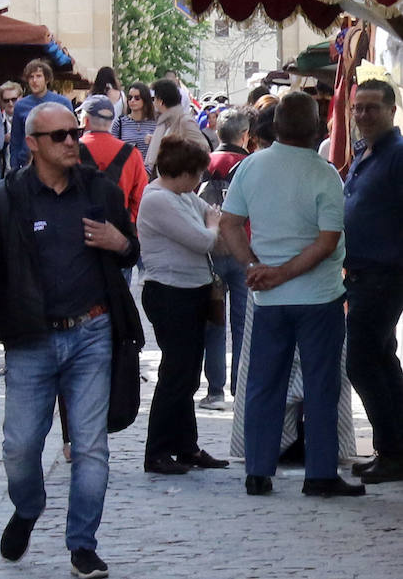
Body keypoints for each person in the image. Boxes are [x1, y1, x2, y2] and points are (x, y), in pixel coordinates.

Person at [0, 101, 139, 578]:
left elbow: (131, 250)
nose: (71, 142)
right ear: (33, 144)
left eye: (74, 133)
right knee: (20, 447)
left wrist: (118, 242)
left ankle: (82, 545)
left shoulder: (99, 193)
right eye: (60, 135)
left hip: (92, 333)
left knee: (90, 447)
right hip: (30, 339)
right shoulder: (6, 199)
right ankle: (28, 507)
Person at [220, 91, 365, 497]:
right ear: (316, 127)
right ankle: (319, 474)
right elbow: (326, 241)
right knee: (321, 386)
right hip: (318, 296)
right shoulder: (324, 174)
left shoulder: (251, 168)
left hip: (268, 296)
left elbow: (229, 224)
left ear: (275, 126)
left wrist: (255, 267)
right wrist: (281, 273)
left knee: (264, 383)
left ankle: (258, 470)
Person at [136, 135, 229, 475]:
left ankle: (185, 445)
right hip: (169, 292)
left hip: (192, 291)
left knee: (188, 374)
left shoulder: (183, 196)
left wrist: (212, 224)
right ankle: (157, 450)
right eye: (198, 174)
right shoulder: (158, 199)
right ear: (185, 173)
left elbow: (211, 218)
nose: (201, 181)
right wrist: (212, 226)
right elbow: (202, 237)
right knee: (175, 375)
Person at [343, 78, 403, 484]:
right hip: (364, 273)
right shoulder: (368, 153)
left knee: (362, 363)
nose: (363, 115)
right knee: (381, 361)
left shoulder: (398, 155)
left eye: (371, 108)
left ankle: (392, 450)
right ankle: (397, 447)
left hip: (385, 273)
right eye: (358, 108)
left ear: (391, 111)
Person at [200, 108, 251, 409]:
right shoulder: (251, 165)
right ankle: (240, 389)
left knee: (215, 323)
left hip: (212, 252)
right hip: (244, 252)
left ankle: (215, 391)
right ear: (245, 135)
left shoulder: (206, 163)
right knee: (243, 325)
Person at [77, 95, 147, 223]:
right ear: (110, 122)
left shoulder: (71, 150)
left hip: (79, 228)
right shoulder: (133, 154)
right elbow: (140, 198)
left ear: (85, 120)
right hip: (118, 230)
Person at [9, 59, 73, 171]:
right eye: (31, 77)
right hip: (27, 165)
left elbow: (71, 134)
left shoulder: (62, 103)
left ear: (46, 79)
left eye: (38, 76)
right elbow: (15, 140)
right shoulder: (20, 106)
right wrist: (14, 168)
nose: (34, 81)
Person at [145, 78, 210, 171]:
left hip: (177, 179)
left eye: (153, 99)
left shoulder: (184, 121)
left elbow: (203, 149)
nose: (153, 102)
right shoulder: (164, 121)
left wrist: (175, 149)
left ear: (160, 101)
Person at [111, 81, 157, 166]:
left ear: (145, 99)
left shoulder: (155, 123)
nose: (132, 101)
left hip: (148, 172)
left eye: (137, 98)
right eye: (130, 97)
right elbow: (113, 149)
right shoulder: (120, 122)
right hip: (126, 170)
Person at [0, 81, 22, 176]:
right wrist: (2, 139)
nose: (10, 103)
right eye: (6, 100)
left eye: (14, 99)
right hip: (4, 174)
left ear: (21, 98)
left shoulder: (29, 119)